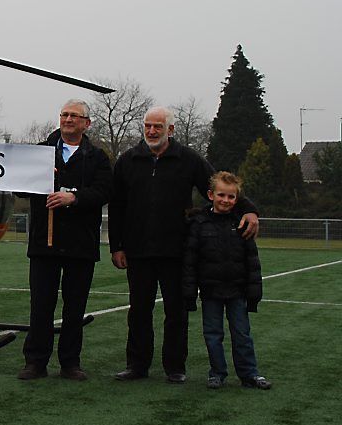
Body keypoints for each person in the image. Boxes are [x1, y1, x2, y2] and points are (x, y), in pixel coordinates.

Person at [109, 106, 259, 383]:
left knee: (175, 312)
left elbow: (216, 188)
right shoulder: (127, 160)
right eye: (148, 126)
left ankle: (175, 367)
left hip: (177, 250)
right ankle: (137, 365)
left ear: (171, 130)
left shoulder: (189, 159)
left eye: (158, 126)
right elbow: (117, 206)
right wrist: (116, 246)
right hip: (138, 250)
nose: (152, 131)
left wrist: (249, 210)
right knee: (139, 310)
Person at [17, 99, 112, 381]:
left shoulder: (97, 157)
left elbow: (105, 191)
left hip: (80, 244)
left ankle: (70, 363)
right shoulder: (41, 153)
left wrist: (75, 198)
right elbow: (20, 188)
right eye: (65, 114)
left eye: (75, 116)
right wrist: (40, 180)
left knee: (74, 308)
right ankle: (35, 361)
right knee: (41, 306)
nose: (68, 119)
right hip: (44, 244)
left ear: (86, 123)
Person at [183, 171, 271, 390]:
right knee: (213, 335)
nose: (226, 200)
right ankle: (217, 373)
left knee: (242, 334)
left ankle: (249, 374)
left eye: (231, 197)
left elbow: (252, 261)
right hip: (211, 292)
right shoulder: (199, 223)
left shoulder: (242, 223)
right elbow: (190, 261)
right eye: (221, 195)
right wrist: (189, 292)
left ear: (237, 199)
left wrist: (254, 292)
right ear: (211, 195)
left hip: (237, 291)